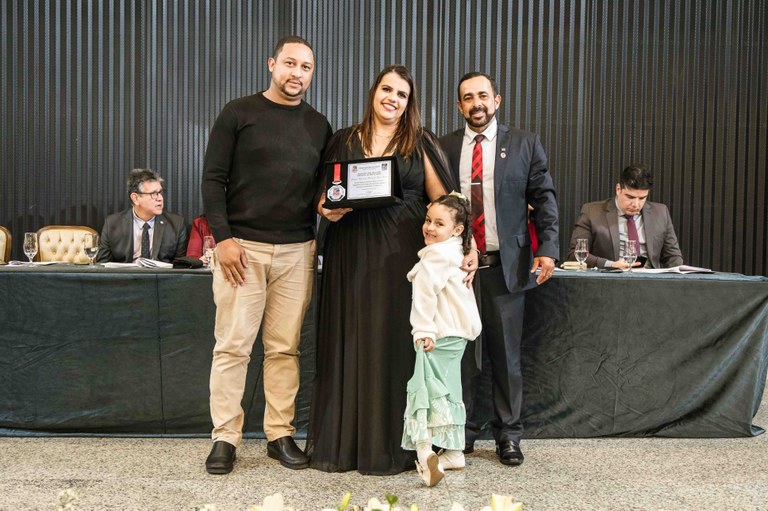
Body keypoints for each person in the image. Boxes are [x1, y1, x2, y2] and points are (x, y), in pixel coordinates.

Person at [306, 65, 461, 475]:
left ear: (409, 103)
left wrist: (466, 246)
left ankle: (398, 445)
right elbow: (323, 195)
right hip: (350, 252)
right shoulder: (343, 139)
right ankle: (347, 446)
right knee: (352, 336)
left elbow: (444, 202)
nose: (392, 98)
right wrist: (326, 208)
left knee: (393, 341)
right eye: (387, 89)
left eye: (402, 94)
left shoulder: (420, 141)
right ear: (374, 91)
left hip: (401, 255)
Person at [201, 35, 333, 475]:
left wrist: (329, 205)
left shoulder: (319, 125)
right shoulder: (238, 113)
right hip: (242, 249)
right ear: (271, 64)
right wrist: (223, 239)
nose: (297, 73)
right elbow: (212, 180)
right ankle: (225, 438)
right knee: (232, 347)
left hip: (298, 250)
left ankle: (279, 435)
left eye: (306, 67)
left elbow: (322, 189)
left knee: (285, 349)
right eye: (290, 63)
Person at [439, 72, 559, 467]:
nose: (476, 103)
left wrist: (548, 249)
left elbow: (544, 199)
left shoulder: (524, 143)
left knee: (506, 358)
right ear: (459, 105)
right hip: (458, 270)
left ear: (497, 100)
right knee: (462, 357)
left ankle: (508, 435)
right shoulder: (445, 147)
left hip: (505, 268)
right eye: (467, 97)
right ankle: (461, 433)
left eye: (482, 96)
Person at [401, 193, 482, 487]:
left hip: (438, 335)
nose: (429, 228)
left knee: (423, 390)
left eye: (439, 223)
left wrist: (423, 330)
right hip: (457, 335)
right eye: (428, 220)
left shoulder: (436, 256)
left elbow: (424, 294)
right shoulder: (456, 250)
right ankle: (455, 452)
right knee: (448, 392)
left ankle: (425, 453)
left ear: (457, 230)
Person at [566, 164, 683, 269]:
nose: (636, 204)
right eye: (630, 197)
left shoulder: (660, 213)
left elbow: (673, 257)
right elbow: (575, 255)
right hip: (610, 279)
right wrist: (611, 264)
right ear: (618, 189)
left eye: (642, 198)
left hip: (650, 280)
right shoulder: (592, 212)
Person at [96, 168, 188, 263]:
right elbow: (103, 265)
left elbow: (181, 267)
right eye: (153, 194)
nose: (160, 198)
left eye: (160, 192)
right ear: (135, 198)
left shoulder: (176, 225)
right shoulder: (112, 224)